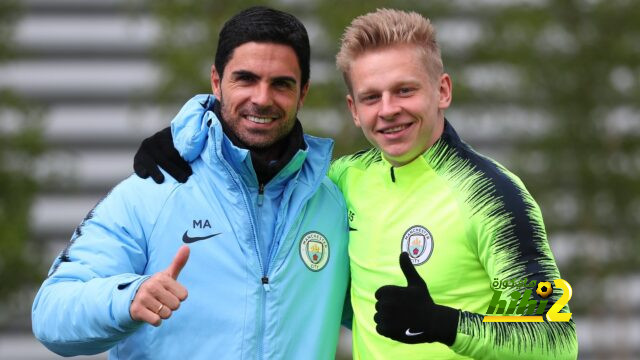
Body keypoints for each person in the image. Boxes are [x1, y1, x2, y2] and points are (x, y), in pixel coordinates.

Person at [133, 8, 578, 360]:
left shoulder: (492, 196)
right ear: (353, 108)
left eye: (405, 91)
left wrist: (444, 323)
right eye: (371, 97)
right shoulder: (345, 179)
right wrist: (185, 135)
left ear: (442, 90)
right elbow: (262, 159)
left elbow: (558, 340)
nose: (387, 110)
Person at [31, 6, 349, 360]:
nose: (262, 98)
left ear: (303, 92)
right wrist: (128, 298)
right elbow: (50, 314)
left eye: (281, 84)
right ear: (216, 81)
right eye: (245, 79)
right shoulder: (151, 192)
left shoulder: (333, 204)